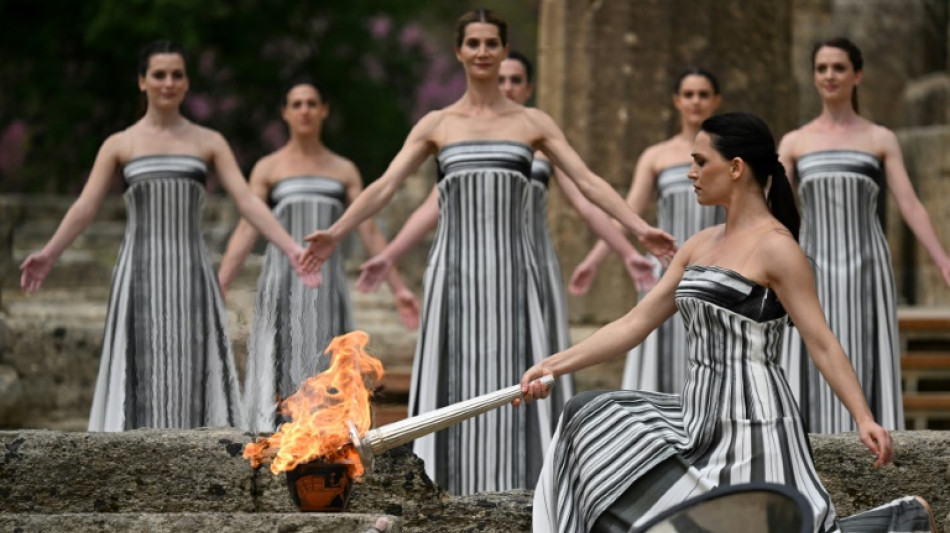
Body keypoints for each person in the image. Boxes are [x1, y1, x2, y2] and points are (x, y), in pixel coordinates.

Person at [301, 8, 676, 495]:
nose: (482, 52)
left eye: (491, 43)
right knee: (452, 382)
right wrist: (337, 231)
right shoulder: (438, 124)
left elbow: (586, 182)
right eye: (473, 43)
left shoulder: (531, 122)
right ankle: (442, 492)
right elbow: (386, 185)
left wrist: (638, 227)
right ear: (459, 51)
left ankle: (529, 493)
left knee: (521, 381)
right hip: (453, 277)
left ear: (502, 50)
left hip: (516, 277)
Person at [519, 111, 934, 533]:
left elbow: (821, 341)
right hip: (697, 419)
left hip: (754, 425)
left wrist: (863, 417)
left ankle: (904, 520)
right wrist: (554, 363)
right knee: (586, 414)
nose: (690, 172)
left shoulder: (778, 248)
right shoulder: (698, 245)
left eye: (701, 162)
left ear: (735, 168)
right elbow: (634, 323)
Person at [19, 40, 316, 432]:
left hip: (192, 273)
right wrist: (50, 253)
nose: (168, 82)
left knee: (193, 365)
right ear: (142, 82)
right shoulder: (120, 144)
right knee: (139, 365)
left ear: (187, 82)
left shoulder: (209, 142)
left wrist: (292, 248)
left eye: (177, 74)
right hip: (138, 275)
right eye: (159, 74)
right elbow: (84, 207)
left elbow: (247, 200)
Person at [355, 50, 656, 421]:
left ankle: (537, 448)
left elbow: (587, 202)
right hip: (467, 267)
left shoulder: (541, 143)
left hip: (531, 266)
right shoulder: (461, 141)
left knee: (532, 357)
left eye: (517, 81)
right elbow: (430, 210)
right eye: (503, 79)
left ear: (528, 88)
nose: (508, 87)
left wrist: (625, 252)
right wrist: (389, 257)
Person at [216, 81, 420, 433]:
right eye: (297, 104)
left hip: (328, 287)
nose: (305, 110)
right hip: (282, 283)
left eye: (312, 103)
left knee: (329, 367)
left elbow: (368, 229)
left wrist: (399, 288)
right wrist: (220, 284)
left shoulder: (343, 170)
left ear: (324, 110)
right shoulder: (268, 167)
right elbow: (248, 228)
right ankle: (274, 440)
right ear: (285, 113)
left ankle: (329, 442)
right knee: (280, 363)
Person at [778, 37, 950, 433]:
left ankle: (876, 446)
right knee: (811, 353)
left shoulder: (880, 139)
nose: (829, 76)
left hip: (868, 268)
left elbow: (909, 204)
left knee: (867, 352)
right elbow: (774, 210)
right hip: (811, 268)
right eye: (821, 68)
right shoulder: (794, 142)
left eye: (838, 68)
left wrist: (942, 260)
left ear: (857, 75)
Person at [568, 67, 725, 394]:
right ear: (676, 101)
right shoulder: (656, 156)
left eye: (703, 95)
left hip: (718, 270)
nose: (695, 102)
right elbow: (630, 213)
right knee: (660, 356)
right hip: (667, 271)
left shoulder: (729, 156)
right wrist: (594, 261)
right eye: (689, 94)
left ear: (716, 101)